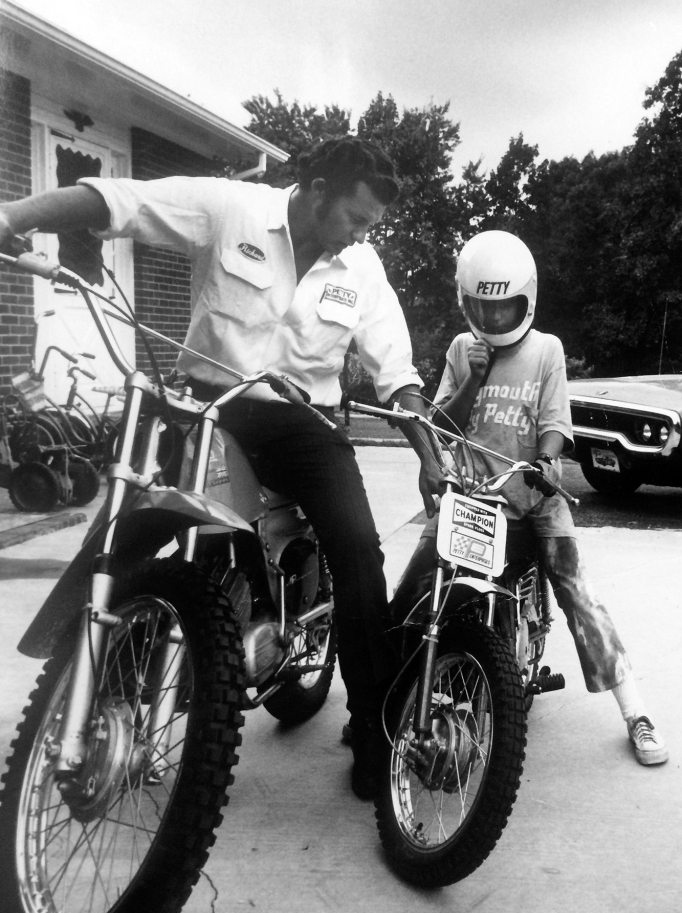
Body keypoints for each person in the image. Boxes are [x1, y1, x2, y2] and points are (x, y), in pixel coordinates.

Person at [0, 136, 443, 799]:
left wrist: (428, 452)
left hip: (306, 426)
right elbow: (121, 200)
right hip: (206, 405)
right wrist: (12, 218)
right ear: (318, 191)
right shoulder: (233, 209)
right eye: (354, 219)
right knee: (125, 539)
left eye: (368, 227)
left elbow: (396, 373)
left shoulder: (364, 269)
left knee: (358, 550)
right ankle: (100, 711)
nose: (356, 237)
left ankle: (374, 735)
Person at [391, 229, 668, 766]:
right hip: (472, 496)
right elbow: (442, 423)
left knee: (578, 595)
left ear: (527, 299)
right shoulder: (458, 348)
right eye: (481, 307)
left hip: (536, 498)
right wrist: (472, 376)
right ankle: (394, 703)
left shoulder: (547, 350)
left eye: (503, 308)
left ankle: (635, 711)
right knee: (412, 596)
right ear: (466, 301)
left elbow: (555, 425)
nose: (492, 320)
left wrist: (545, 461)